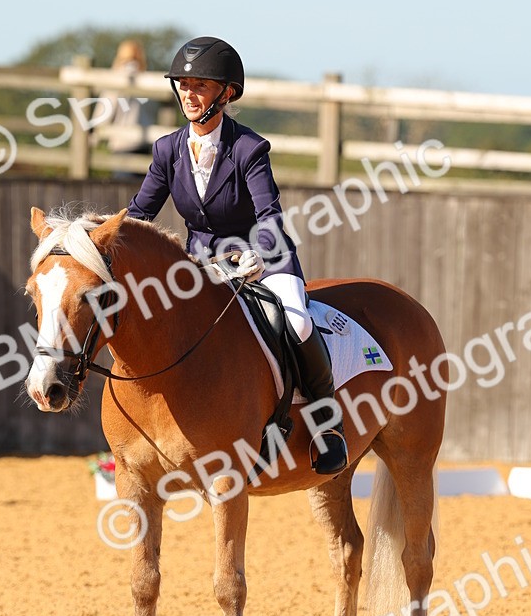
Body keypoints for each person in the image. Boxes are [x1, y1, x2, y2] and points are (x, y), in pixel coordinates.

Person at [126, 35, 348, 475]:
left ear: (226, 93)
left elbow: (269, 215)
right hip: (202, 266)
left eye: (201, 86)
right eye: (184, 85)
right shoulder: (167, 150)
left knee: (298, 323)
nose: (189, 95)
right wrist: (100, 239)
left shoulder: (249, 148)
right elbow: (138, 215)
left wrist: (258, 254)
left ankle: (327, 426)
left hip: (263, 260)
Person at [92, 39, 155, 177]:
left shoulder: (116, 79)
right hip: (146, 146)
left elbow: (104, 112)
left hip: (122, 146)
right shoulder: (149, 79)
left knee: (122, 187)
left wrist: (93, 138)